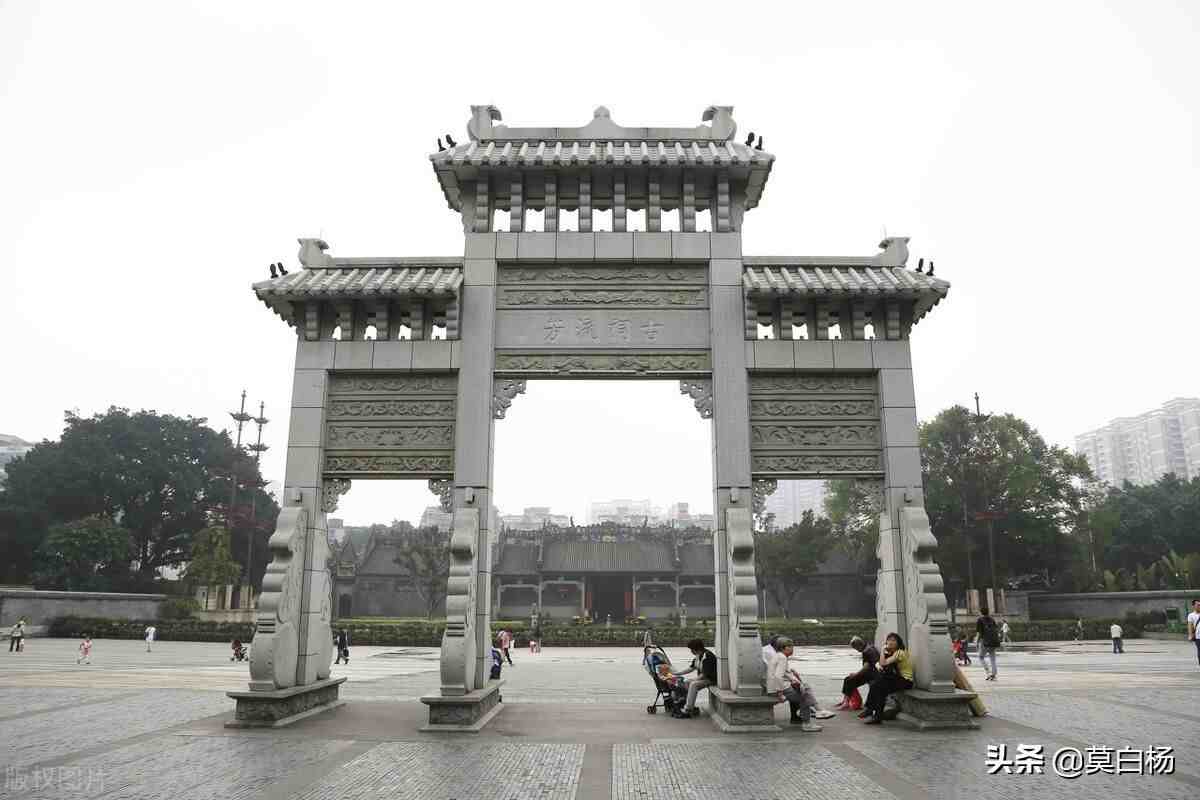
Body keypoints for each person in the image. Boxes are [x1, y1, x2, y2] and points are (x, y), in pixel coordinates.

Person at [767, 637, 822, 731]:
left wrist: (792, 679)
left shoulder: (778, 656)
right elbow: (777, 676)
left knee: (805, 689)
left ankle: (816, 710)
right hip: (778, 690)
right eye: (791, 647)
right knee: (805, 697)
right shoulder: (782, 658)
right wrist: (780, 694)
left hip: (774, 688)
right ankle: (810, 720)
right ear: (785, 648)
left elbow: (781, 674)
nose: (793, 649)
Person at [862, 632, 914, 724]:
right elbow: (881, 664)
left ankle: (871, 710)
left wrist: (882, 650)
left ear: (898, 643)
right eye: (889, 640)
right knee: (877, 686)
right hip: (897, 679)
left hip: (906, 681)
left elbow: (883, 663)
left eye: (893, 640)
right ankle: (874, 714)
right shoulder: (892, 653)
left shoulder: (900, 652)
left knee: (878, 684)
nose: (890, 642)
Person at [672, 638, 717, 718]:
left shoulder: (708, 656)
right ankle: (687, 703)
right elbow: (691, 668)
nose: (691, 651)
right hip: (703, 678)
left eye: (691, 649)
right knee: (686, 683)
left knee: (693, 684)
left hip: (711, 679)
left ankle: (688, 710)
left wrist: (693, 680)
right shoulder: (698, 655)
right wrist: (677, 673)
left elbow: (704, 674)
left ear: (696, 648)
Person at [837, 636, 879, 709]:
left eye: (856, 648)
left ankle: (846, 702)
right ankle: (845, 700)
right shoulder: (870, 647)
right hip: (874, 672)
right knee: (848, 679)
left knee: (849, 680)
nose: (856, 650)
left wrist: (855, 674)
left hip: (872, 675)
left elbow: (866, 667)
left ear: (859, 645)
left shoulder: (866, 651)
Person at [975, 606, 1000, 681]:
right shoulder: (992, 619)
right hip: (993, 641)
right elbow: (996, 630)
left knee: (981, 657)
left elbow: (979, 633)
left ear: (981, 612)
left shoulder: (980, 620)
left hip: (984, 641)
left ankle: (988, 672)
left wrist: (976, 641)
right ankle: (994, 674)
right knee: (993, 658)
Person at [1188, 599, 1200, 668]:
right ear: (1193, 606)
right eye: (1198, 605)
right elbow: (1190, 626)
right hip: (1198, 637)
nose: (1199, 606)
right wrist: (1190, 635)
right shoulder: (1191, 615)